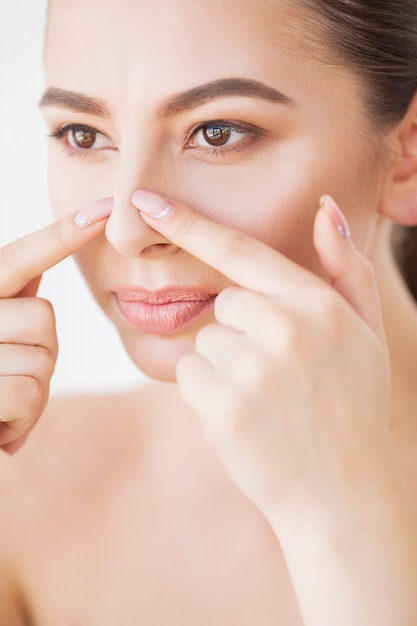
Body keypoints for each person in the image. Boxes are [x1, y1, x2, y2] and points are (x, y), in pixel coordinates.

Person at [1, 0, 417, 623]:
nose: (126, 229)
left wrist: (344, 520)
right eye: (83, 135)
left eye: (218, 132)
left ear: (407, 156)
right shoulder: (20, 493)